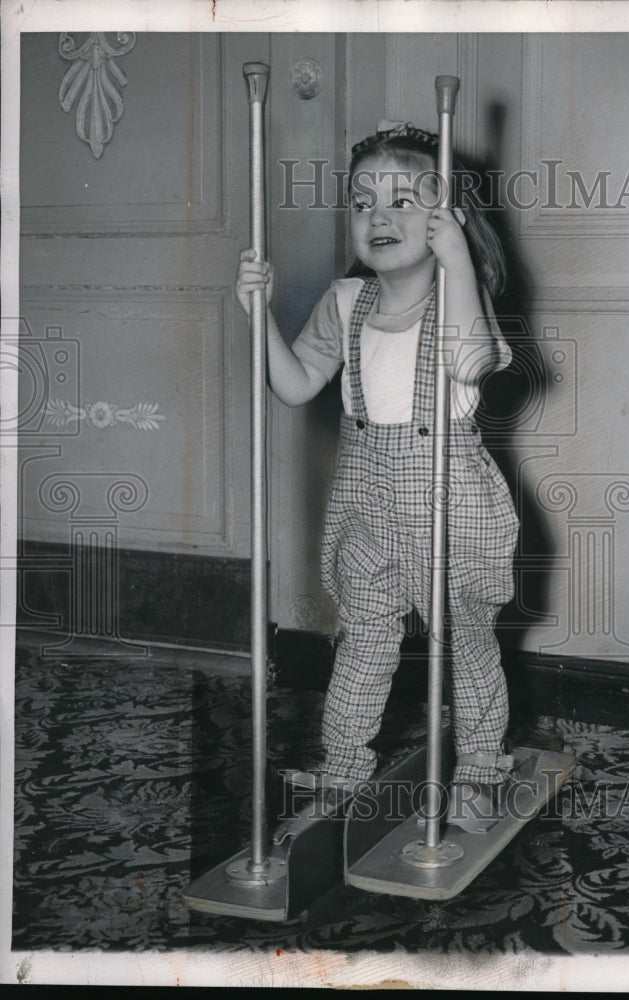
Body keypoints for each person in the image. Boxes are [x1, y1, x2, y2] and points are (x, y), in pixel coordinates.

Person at [236, 122, 520, 832]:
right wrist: (258, 318)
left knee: (465, 638)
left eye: (403, 199)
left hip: (450, 497)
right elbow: (298, 385)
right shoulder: (343, 301)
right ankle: (343, 771)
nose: (378, 216)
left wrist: (455, 259)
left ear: (445, 216)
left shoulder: (462, 300)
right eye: (362, 203)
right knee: (362, 637)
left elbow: (472, 364)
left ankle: (480, 770)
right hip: (365, 496)